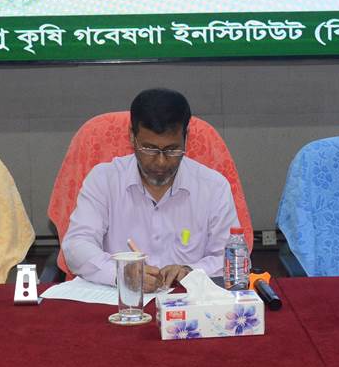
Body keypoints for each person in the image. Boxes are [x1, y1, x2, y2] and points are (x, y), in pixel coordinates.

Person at [62, 88, 240, 293]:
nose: (161, 162)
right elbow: (76, 246)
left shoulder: (213, 187)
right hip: (121, 302)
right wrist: (121, 273)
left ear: (186, 138)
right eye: (149, 149)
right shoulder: (104, 180)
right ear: (132, 137)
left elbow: (232, 257)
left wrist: (191, 271)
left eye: (172, 149)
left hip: (187, 303)